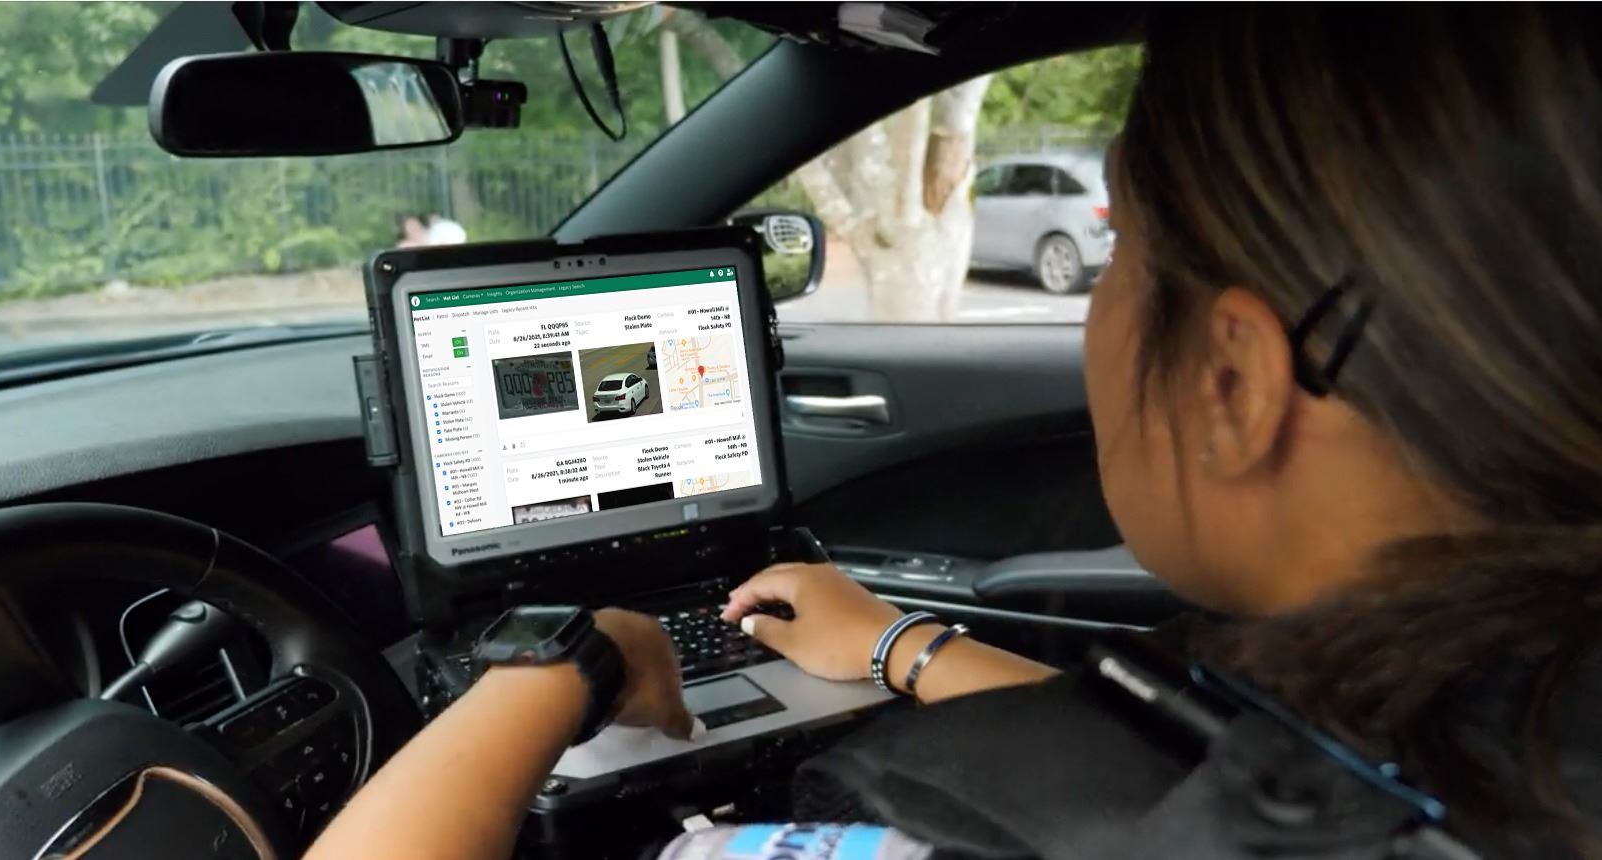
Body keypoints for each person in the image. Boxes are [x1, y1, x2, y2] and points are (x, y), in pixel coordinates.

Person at [309, 6, 1602, 859]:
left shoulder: (949, 828)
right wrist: (902, 646)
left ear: (1234, 382)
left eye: (1124, 262)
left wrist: (562, 671)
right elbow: (1176, 765)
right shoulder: (1513, 737)